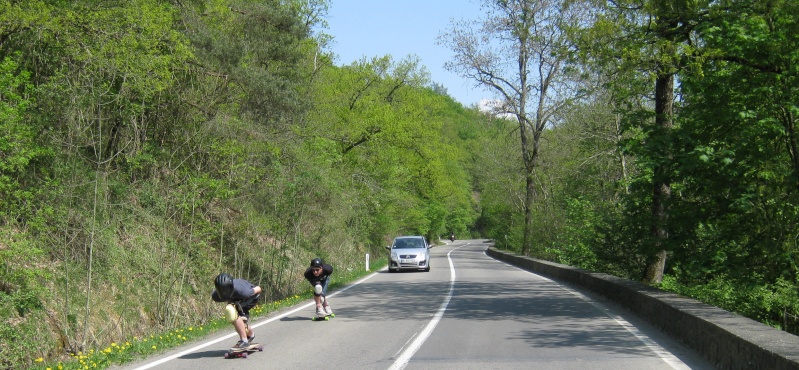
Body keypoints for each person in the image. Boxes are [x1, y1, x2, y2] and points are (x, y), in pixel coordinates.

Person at [212, 273, 262, 349]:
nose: (224, 293)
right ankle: (250, 335)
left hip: (251, 298)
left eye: (226, 290)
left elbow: (259, 289)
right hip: (237, 299)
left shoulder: (243, 291)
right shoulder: (216, 296)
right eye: (221, 291)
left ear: (231, 287)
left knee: (233, 313)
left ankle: (244, 341)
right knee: (237, 320)